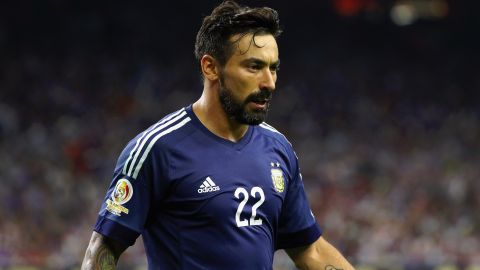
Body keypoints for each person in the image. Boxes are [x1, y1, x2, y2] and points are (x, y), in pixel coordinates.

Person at [81, 1, 355, 269]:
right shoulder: (157, 149)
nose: (269, 83)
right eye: (254, 67)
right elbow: (103, 248)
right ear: (210, 67)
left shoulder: (278, 148)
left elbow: (311, 250)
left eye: (273, 68)